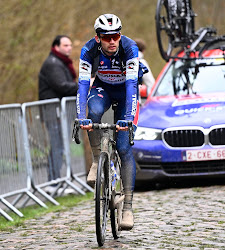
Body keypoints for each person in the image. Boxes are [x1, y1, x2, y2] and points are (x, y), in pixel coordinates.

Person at [76, 14, 146, 230]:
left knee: (124, 147)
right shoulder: (88, 50)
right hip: (103, 89)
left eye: (116, 35)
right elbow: (82, 85)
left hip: (126, 93)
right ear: (98, 38)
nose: (112, 41)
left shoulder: (130, 48)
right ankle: (97, 160)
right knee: (94, 111)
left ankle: (127, 207)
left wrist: (128, 119)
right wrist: (81, 117)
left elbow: (132, 85)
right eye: (107, 37)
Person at [38, 35, 78, 194]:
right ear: (56, 47)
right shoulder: (53, 63)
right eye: (65, 45)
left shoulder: (60, 62)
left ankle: (58, 182)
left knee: (60, 147)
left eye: (70, 45)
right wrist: (83, 85)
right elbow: (61, 86)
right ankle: (53, 183)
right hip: (53, 112)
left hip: (59, 112)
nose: (69, 48)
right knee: (57, 147)